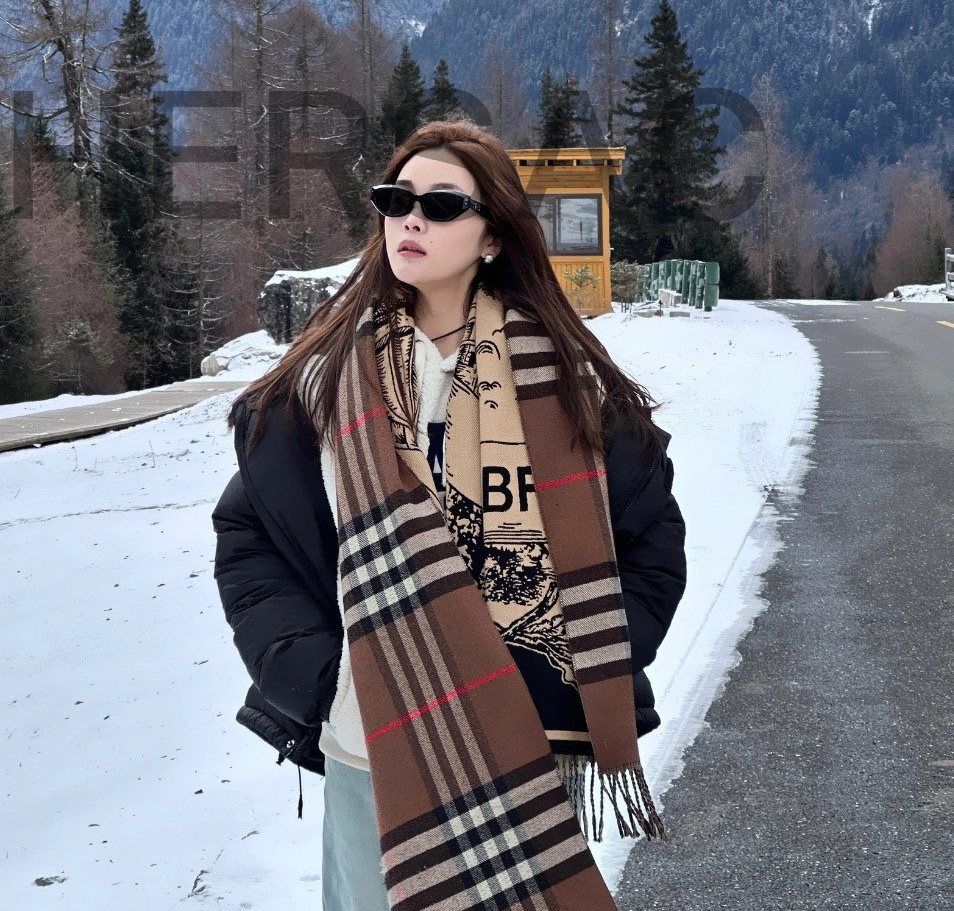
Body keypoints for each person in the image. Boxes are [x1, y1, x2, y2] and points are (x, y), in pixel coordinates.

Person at [213, 120, 687, 911]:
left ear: (493, 236)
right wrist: (326, 681)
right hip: (374, 739)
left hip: (527, 741)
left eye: (440, 204)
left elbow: (652, 544)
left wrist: (574, 663)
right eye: (395, 199)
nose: (410, 218)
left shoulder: (568, 385)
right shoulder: (324, 385)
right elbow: (250, 537)